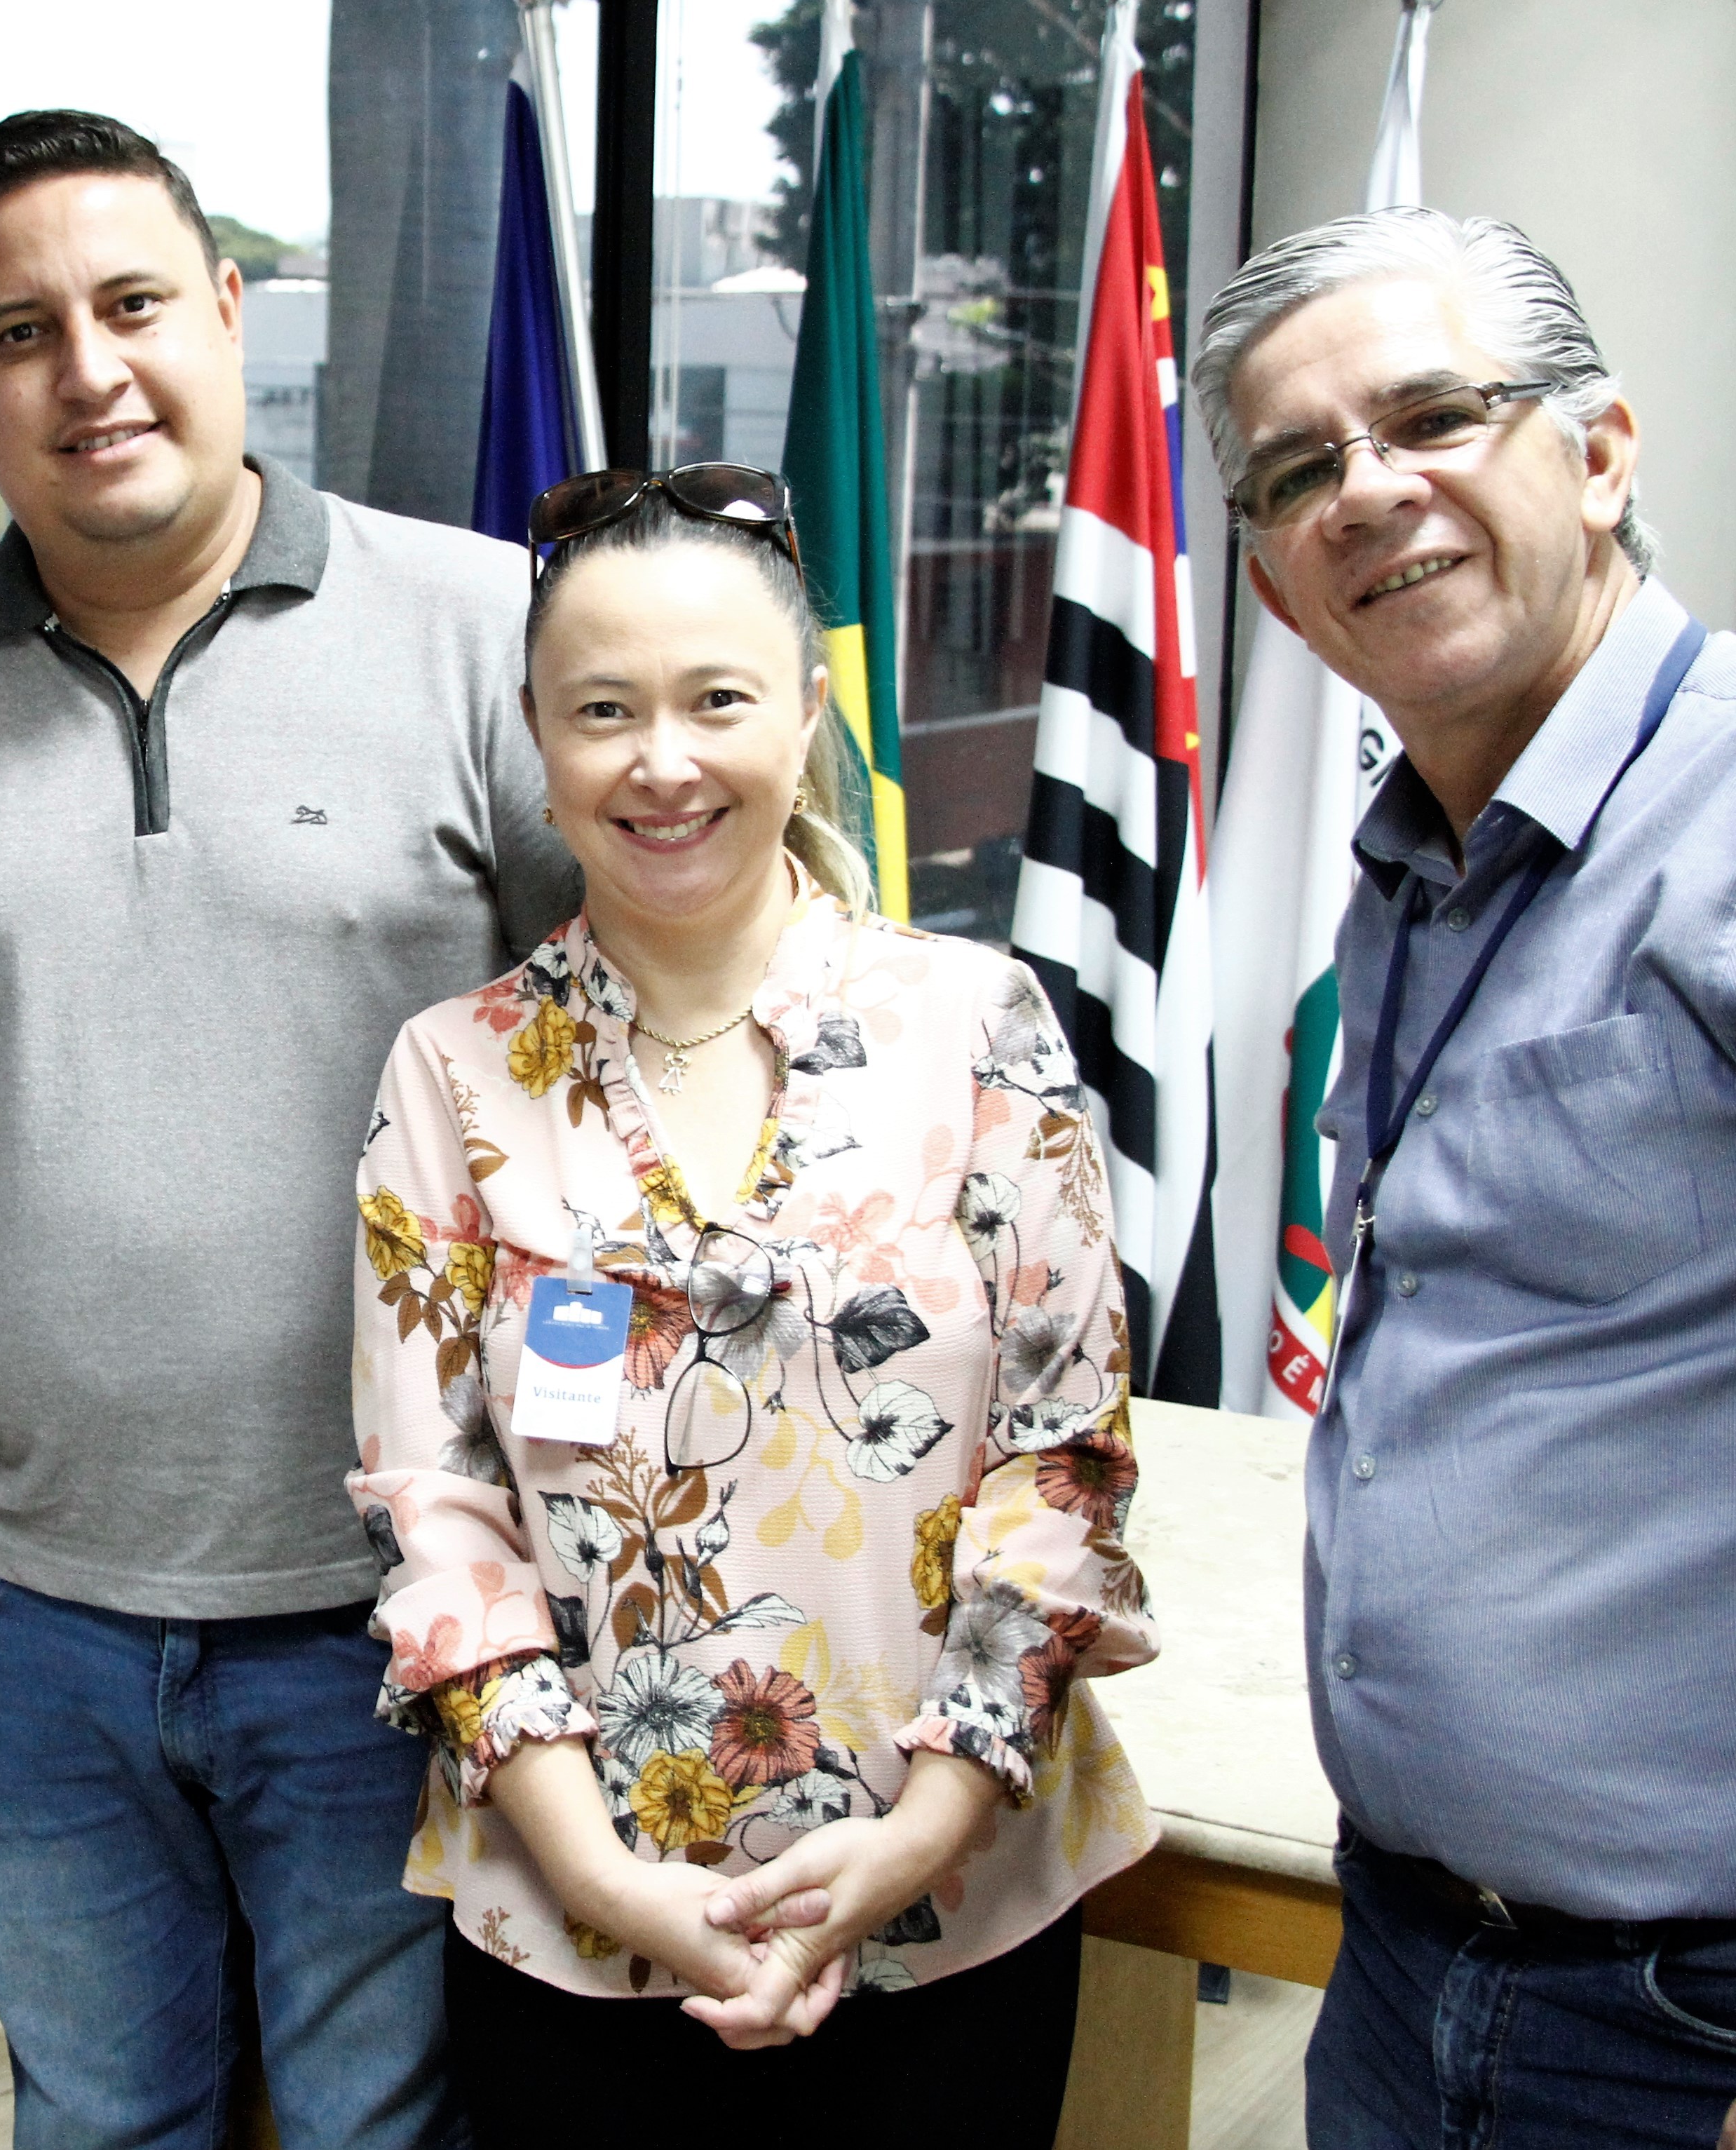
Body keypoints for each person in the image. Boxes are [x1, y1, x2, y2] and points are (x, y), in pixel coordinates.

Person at [0, 107, 577, 2150]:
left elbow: (648, 1081)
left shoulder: (486, 629)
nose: (86, 370)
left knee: (381, 2128)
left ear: (226, 308)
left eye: (129, 305)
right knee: (104, 2122)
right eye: (18, 332)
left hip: (404, 1597)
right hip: (30, 1617)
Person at [1190, 207, 1736, 2150]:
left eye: (1432, 416)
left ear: (1598, 451)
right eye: (1301, 470)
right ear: (1268, 577)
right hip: (1416, 1967)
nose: (1370, 491)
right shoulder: (1416, 856)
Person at [345, 469, 1153, 2136]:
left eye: (716, 701)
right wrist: (604, 1880)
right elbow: (440, 1515)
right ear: (534, 739)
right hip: (574, 1921)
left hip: (954, 1893)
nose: (661, 761)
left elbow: (1058, 1461)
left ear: (804, 714)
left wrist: (922, 1830)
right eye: (600, 710)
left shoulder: (975, 1023)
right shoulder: (457, 1070)